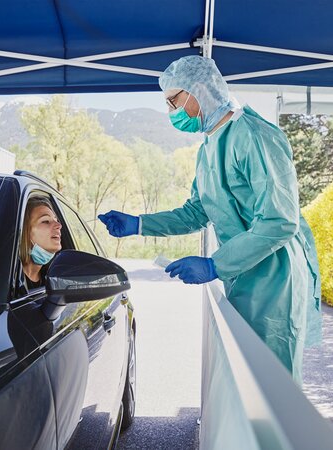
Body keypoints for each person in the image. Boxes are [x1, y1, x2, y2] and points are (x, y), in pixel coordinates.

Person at [98, 55, 322, 385]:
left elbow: (280, 220)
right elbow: (196, 212)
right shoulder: (208, 148)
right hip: (242, 275)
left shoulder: (255, 136)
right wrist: (139, 223)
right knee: (247, 385)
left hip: (274, 279)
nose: (171, 111)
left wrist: (215, 265)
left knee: (275, 388)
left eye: (173, 100)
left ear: (199, 90)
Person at [19, 196, 62, 291]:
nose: (59, 225)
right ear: (24, 233)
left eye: (56, 220)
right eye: (46, 221)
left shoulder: (54, 278)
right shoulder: (7, 283)